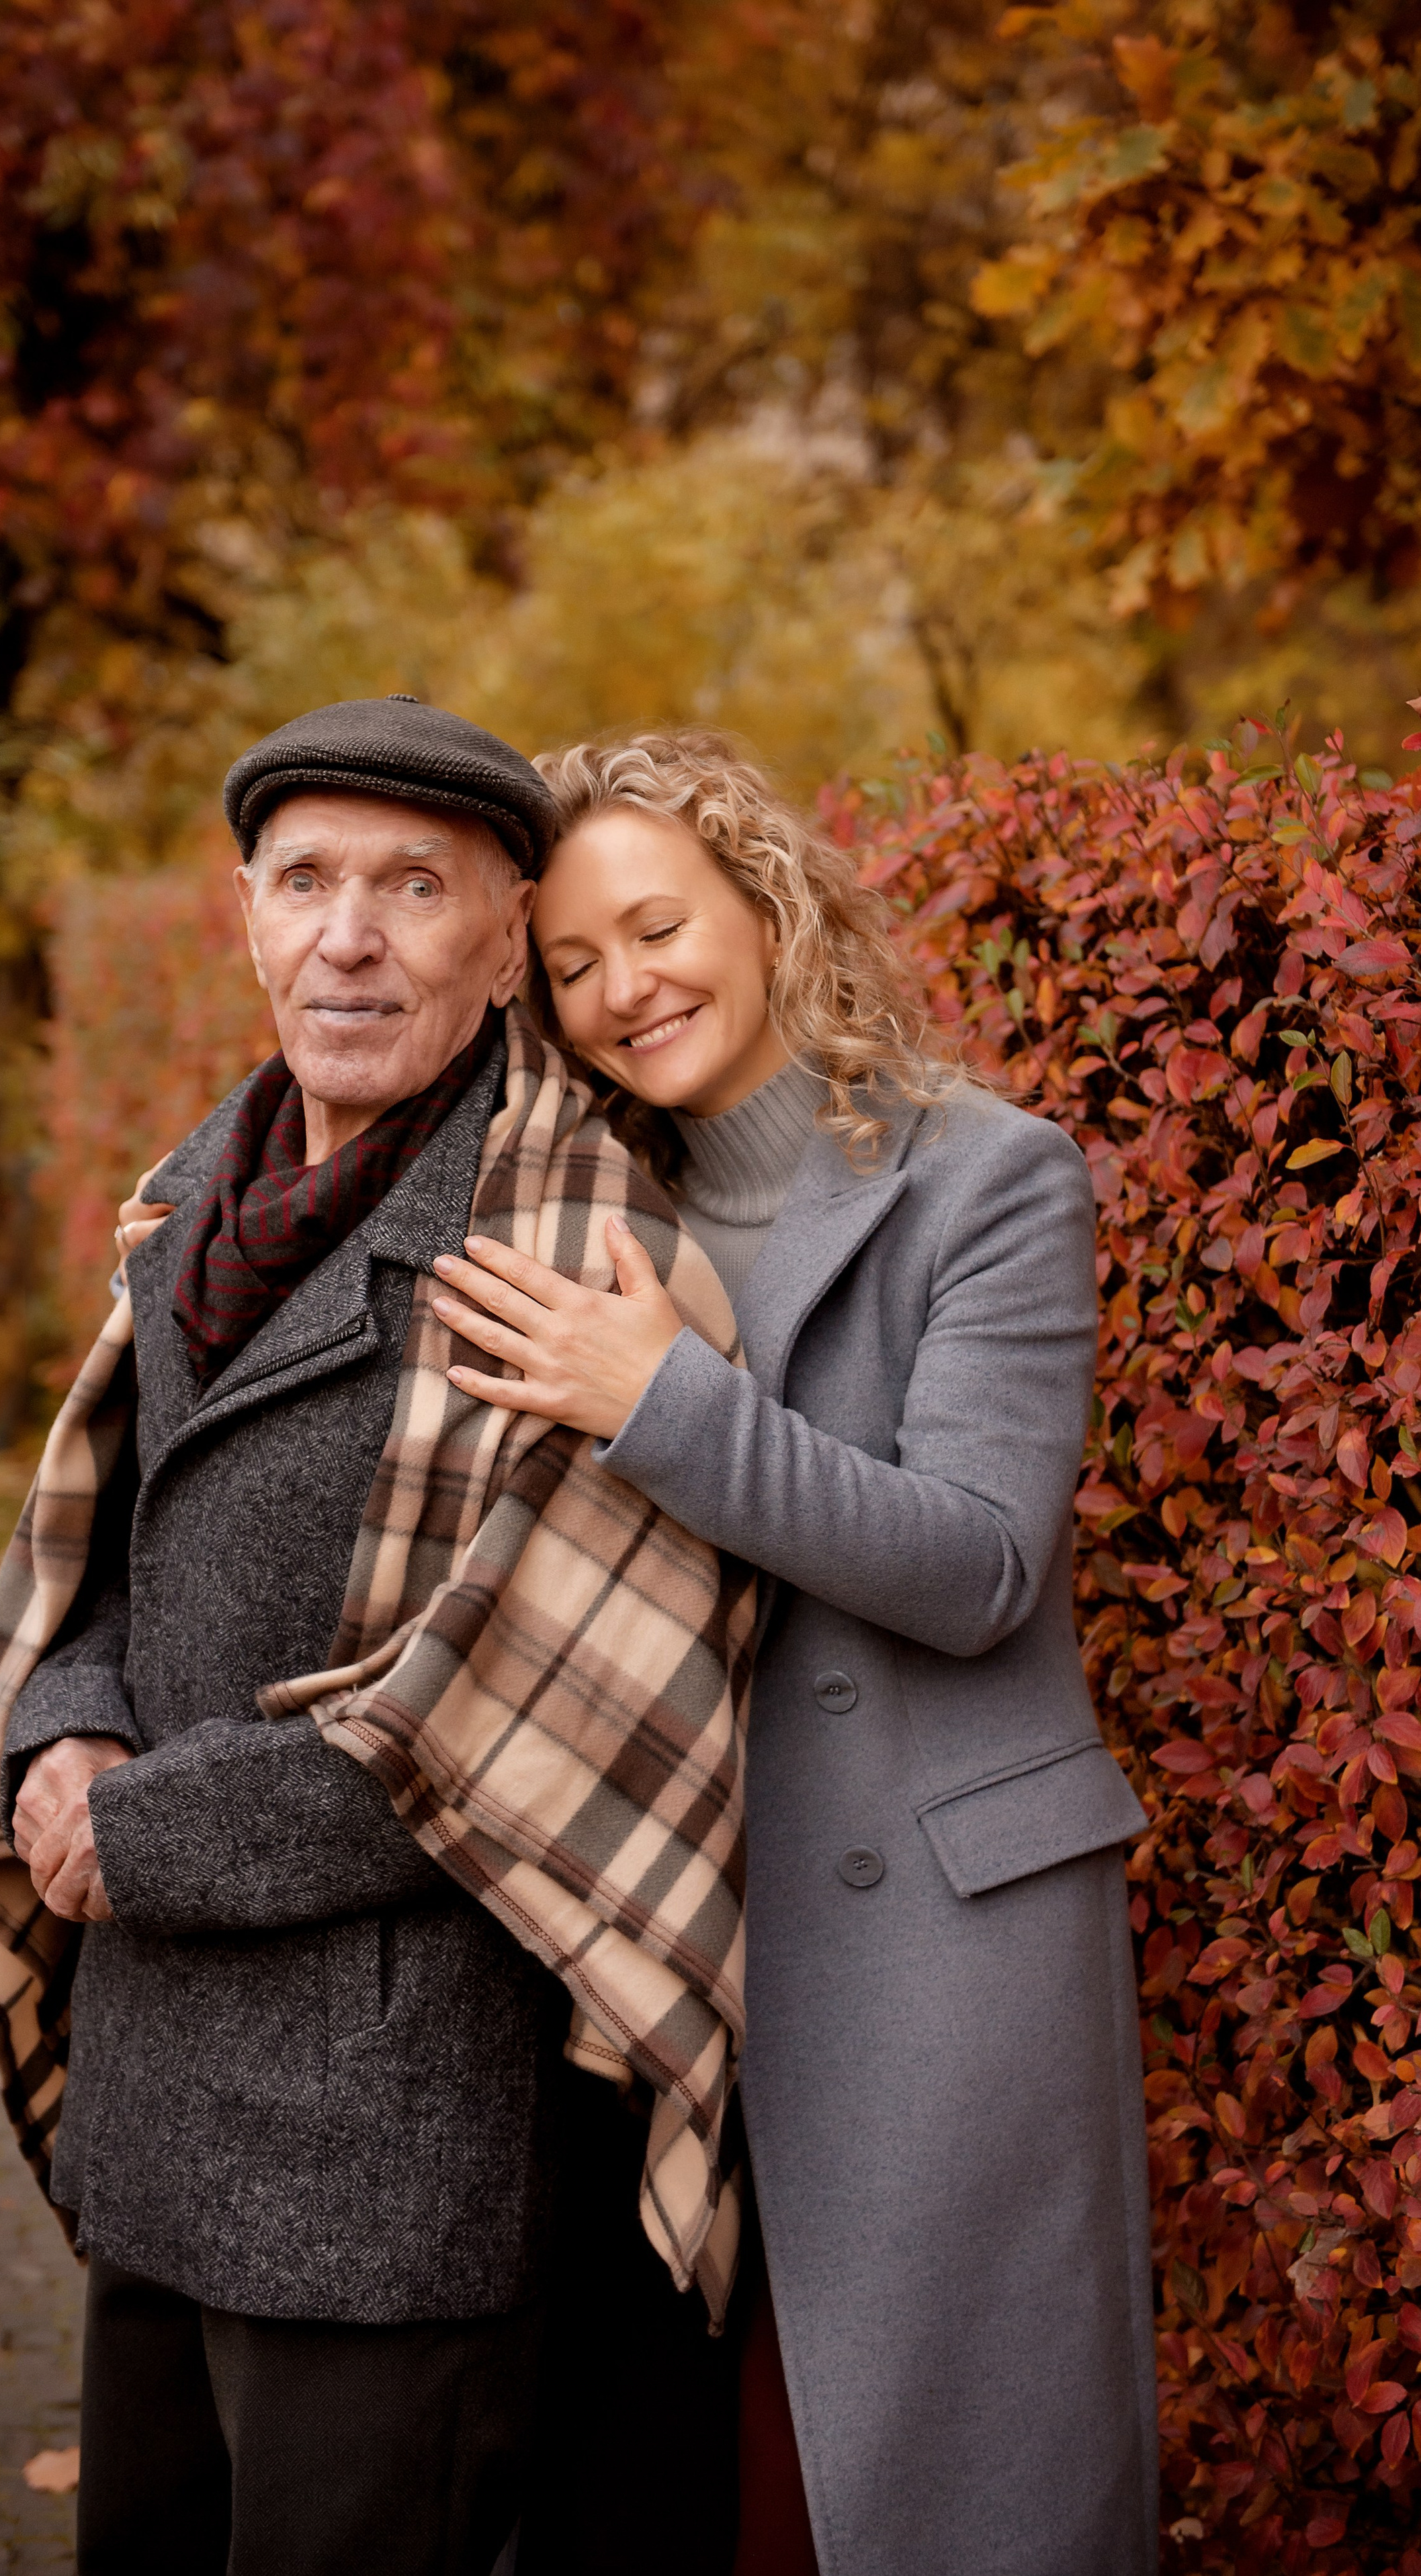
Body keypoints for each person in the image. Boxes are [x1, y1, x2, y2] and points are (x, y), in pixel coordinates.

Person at [0, 701, 755, 2576]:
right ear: (248, 915)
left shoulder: (573, 1235)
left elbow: (509, 1711)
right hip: (160, 2097)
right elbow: (99, 1539)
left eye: (413, 885)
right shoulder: (201, 1181)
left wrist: (143, 1831)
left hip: (387, 2142)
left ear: (507, 932)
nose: (351, 934)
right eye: (309, 883)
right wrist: (69, 1722)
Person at [431, 730, 1159, 2576]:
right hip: (659, 1918)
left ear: (767, 903)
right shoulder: (589, 1199)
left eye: (658, 925)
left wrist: (660, 1399)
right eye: (574, 965)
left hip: (931, 1918)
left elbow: (981, 1563)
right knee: (665, 2469)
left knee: (931, 2490)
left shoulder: (988, 1177)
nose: (623, 990)